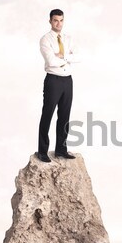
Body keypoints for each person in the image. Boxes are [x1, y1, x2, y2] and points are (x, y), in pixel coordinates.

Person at [36, 9, 81, 163]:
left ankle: (61, 150)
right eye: (55, 20)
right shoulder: (45, 39)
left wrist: (63, 56)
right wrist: (68, 58)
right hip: (53, 81)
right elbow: (51, 61)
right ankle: (42, 151)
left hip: (67, 81)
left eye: (61, 20)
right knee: (47, 115)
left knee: (64, 116)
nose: (58, 23)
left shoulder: (68, 38)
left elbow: (79, 56)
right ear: (50, 21)